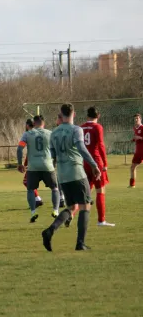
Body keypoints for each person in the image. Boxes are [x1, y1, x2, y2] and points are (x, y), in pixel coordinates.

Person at [41, 104, 101, 252]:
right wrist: (93, 165)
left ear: (61, 114)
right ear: (73, 114)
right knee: (85, 206)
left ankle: (50, 230)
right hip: (76, 172)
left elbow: (53, 156)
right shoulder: (76, 129)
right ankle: (80, 243)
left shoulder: (54, 133)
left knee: (72, 207)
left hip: (62, 174)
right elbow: (81, 148)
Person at [17, 115, 61, 223]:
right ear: (43, 123)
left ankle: (33, 212)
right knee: (55, 188)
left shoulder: (27, 134)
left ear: (34, 123)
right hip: (47, 166)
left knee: (30, 189)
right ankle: (55, 211)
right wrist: (54, 161)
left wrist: (20, 164)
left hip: (33, 167)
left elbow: (19, 149)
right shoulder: (50, 133)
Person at [81, 107, 114, 227]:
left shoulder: (81, 127)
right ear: (98, 116)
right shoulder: (98, 127)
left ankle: (71, 215)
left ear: (87, 116)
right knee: (100, 190)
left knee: (86, 192)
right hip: (96, 162)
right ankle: (101, 220)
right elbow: (100, 145)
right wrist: (105, 163)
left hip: (84, 162)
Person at [21, 118, 43, 208]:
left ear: (27, 125)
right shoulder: (40, 133)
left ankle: (37, 199)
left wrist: (24, 164)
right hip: (44, 161)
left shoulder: (28, 135)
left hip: (34, 162)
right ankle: (61, 198)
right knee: (52, 184)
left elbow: (26, 151)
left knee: (27, 182)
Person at [129, 113, 143, 188]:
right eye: (135, 118)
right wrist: (134, 139)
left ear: (141, 119)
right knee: (132, 167)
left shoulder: (142, 127)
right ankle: (132, 184)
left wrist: (139, 138)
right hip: (138, 151)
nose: (136, 120)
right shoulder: (135, 128)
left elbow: (140, 137)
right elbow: (137, 138)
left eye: (137, 118)